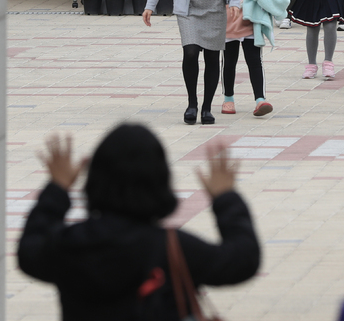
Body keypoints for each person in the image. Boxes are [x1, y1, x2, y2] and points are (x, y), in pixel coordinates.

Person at [18, 125, 261, 321]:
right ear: (160, 181)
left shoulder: (71, 244)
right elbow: (243, 259)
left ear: (95, 178)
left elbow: (29, 250)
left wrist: (57, 190)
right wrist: (225, 198)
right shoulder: (172, 248)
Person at [223, 0, 275, 116]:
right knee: (229, 61)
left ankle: (260, 99)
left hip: (251, 20)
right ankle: (228, 98)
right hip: (228, 22)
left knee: (254, 60)